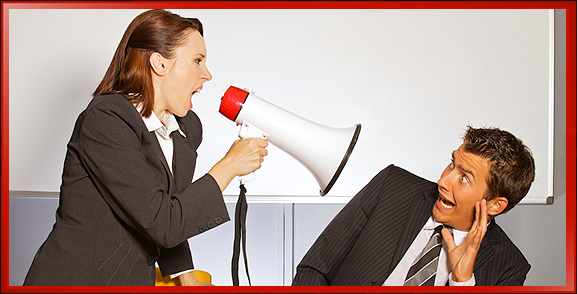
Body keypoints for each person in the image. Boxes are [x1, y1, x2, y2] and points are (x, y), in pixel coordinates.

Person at [23, 9, 268, 286]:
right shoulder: (106, 120)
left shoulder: (186, 130)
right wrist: (229, 166)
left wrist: (185, 277)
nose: (207, 75)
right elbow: (162, 221)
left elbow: (170, 206)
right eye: (198, 61)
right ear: (159, 64)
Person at [292, 126, 534, 286]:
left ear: (495, 205)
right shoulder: (392, 187)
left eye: (464, 178)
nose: (442, 181)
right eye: (452, 164)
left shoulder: (510, 267)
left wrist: (462, 281)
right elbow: (315, 267)